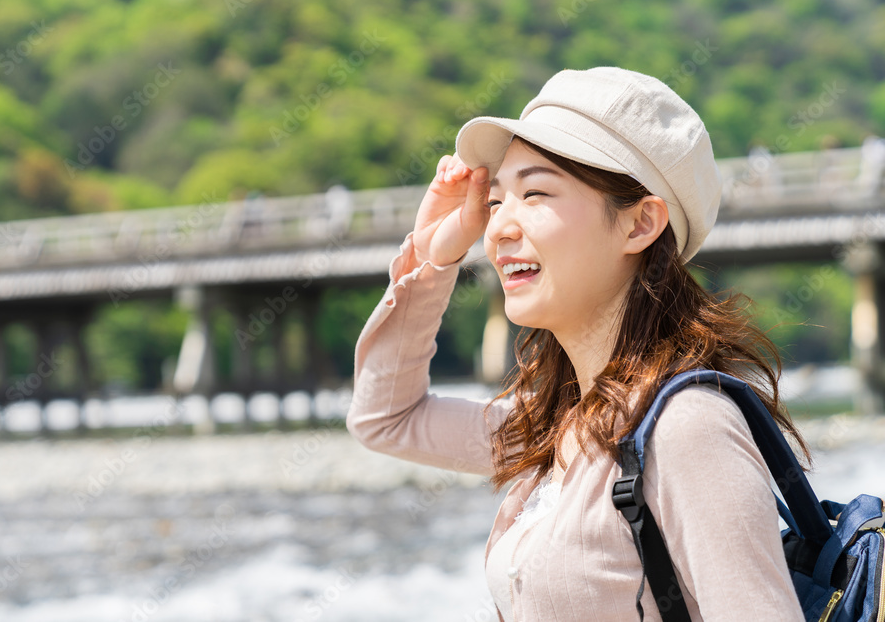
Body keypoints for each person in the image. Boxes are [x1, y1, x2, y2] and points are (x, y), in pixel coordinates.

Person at [346, 66, 811, 621]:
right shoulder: (555, 425)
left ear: (640, 225)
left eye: (535, 193)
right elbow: (385, 417)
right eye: (496, 202)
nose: (496, 229)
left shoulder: (686, 429)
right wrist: (430, 259)